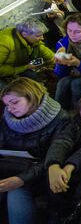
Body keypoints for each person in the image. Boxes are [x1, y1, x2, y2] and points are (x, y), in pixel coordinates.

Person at [0, 77, 69, 224]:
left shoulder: (61, 119)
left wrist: (21, 179)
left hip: (40, 176)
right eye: (7, 104)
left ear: (31, 97)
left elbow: (54, 158)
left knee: (16, 192)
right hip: (10, 169)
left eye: (15, 102)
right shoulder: (7, 117)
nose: (10, 108)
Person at [45, 93, 81, 221]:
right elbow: (62, 141)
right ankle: (57, 214)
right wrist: (53, 164)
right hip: (74, 164)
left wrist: (70, 166)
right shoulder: (76, 123)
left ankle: (73, 211)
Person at [0, 18, 54, 86]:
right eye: (38, 36)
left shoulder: (31, 40)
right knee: (9, 90)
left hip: (16, 67)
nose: (42, 38)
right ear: (25, 34)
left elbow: (44, 51)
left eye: (42, 35)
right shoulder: (4, 43)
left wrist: (58, 61)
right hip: (4, 71)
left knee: (34, 78)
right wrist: (24, 68)